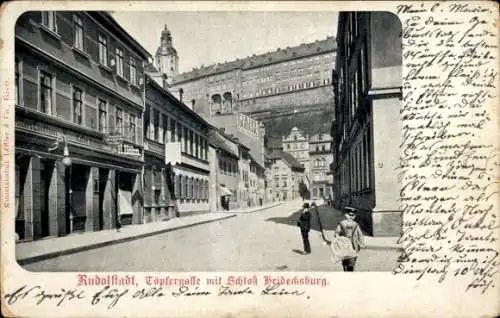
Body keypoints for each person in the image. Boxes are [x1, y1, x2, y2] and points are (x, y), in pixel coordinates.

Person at [335, 207, 364, 271]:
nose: (351, 217)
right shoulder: (342, 223)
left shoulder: (356, 225)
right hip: (344, 245)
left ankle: (350, 271)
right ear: (346, 215)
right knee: (345, 261)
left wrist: (361, 243)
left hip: (353, 245)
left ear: (355, 216)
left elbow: (360, 234)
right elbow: (337, 232)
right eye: (349, 215)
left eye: (353, 215)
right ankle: (346, 270)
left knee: (352, 261)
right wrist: (338, 238)